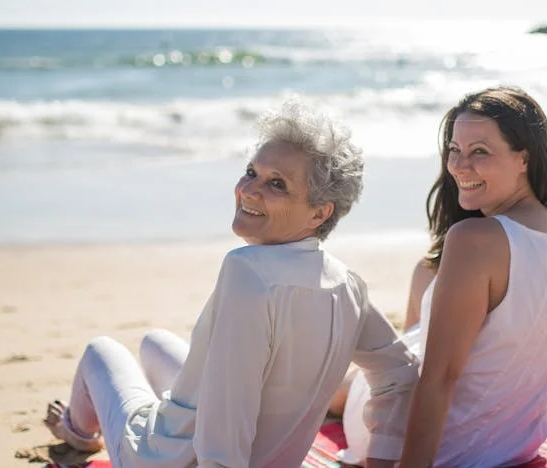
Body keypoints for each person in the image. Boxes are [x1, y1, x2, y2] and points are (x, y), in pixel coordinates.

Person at [41, 99, 419, 468]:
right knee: (154, 341)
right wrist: (382, 459)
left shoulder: (247, 271)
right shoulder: (348, 285)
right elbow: (400, 373)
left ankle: (78, 432)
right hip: (259, 450)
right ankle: (91, 426)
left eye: (277, 184)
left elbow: (230, 407)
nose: (250, 190)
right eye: (252, 172)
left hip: (167, 459)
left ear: (320, 213)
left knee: (100, 351)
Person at [333, 87, 547, 468]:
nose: (459, 166)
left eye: (480, 151)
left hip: (440, 447)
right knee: (422, 291)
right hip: (515, 445)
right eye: (454, 150)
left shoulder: (471, 240)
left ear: (524, 158)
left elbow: (439, 376)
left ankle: (330, 392)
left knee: (373, 372)